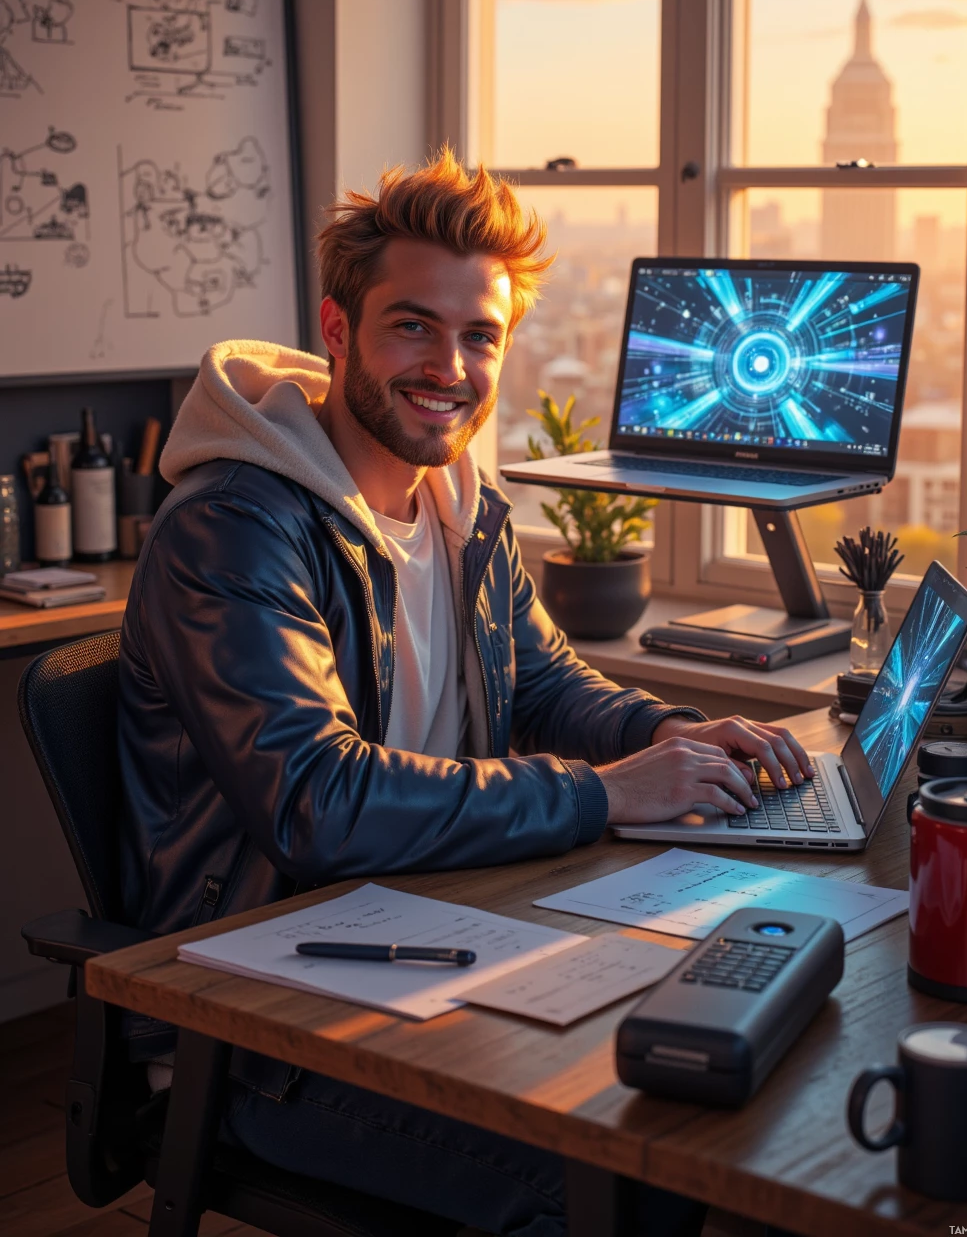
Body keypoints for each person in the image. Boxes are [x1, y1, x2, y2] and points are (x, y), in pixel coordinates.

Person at [118, 149, 813, 1237]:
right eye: (412, 326)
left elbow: (541, 680)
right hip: (261, 1035)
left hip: (435, 940)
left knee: (730, 1108)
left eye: (479, 335)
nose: (450, 366)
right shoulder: (235, 525)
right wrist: (603, 796)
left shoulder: (458, 500)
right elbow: (314, 798)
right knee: (638, 1189)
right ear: (338, 331)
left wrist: (665, 732)